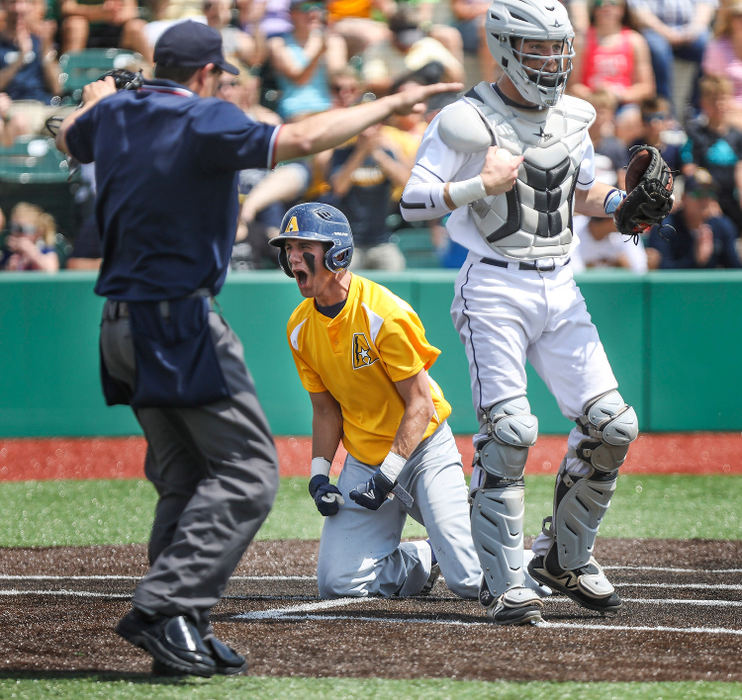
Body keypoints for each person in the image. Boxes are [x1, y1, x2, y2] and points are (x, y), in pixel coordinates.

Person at [53, 18, 461, 676]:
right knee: (249, 475)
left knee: (183, 479)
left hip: (118, 327)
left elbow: (72, 134)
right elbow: (300, 138)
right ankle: (164, 606)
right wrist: (386, 105)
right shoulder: (203, 119)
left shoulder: (114, 114)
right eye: (224, 78)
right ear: (208, 75)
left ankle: (182, 624)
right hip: (178, 320)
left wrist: (100, 97)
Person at [400, 0, 639, 625]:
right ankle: (504, 583)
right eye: (538, 49)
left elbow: (577, 192)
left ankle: (562, 557)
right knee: (509, 432)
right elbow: (413, 198)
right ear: (505, 48)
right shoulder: (463, 120)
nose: (552, 61)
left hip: (562, 280)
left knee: (614, 426)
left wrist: (623, 202)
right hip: (493, 286)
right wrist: (479, 184)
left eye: (558, 48)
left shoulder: (575, 115)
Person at [270, 201, 481, 599]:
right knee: (338, 585)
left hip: (422, 452)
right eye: (289, 249)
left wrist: (388, 476)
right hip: (365, 460)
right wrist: (319, 475)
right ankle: (423, 557)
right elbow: (325, 409)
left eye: (303, 247)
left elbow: (422, 404)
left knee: (470, 579)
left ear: (337, 252)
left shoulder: (383, 313)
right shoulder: (299, 326)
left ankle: (543, 563)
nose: (292, 257)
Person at [681, 74, 742, 234]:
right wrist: (707, 198)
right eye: (713, 100)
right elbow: (689, 168)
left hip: (732, 199)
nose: (719, 105)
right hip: (706, 198)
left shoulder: (737, 136)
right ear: (703, 103)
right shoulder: (695, 133)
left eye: (723, 99)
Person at [645, 169, 742, 268]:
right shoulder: (665, 227)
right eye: (698, 193)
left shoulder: (722, 226)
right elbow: (661, 271)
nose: (704, 200)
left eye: (710, 193)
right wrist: (695, 259)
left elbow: (734, 268)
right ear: (683, 198)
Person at [0, 200, 60, 271]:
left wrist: (31, 252)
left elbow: (52, 270)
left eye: (22, 229)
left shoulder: (45, 250)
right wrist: (10, 269)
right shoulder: (7, 253)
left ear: (38, 232)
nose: (16, 233)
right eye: (13, 227)